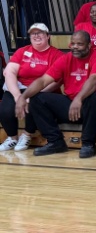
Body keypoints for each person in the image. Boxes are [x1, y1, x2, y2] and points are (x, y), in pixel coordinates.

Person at [14, 31, 96, 158]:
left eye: (79, 44)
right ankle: (55, 141)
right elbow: (43, 80)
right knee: (37, 98)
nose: (74, 46)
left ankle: (88, 144)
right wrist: (23, 97)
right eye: (73, 43)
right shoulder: (66, 58)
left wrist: (79, 98)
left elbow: (95, 80)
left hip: (92, 109)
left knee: (95, 97)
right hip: (71, 105)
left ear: (89, 45)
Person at [1, 23, 63, 152]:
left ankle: (27, 134)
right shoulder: (22, 51)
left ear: (48, 36)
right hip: (21, 87)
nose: (36, 35)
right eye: (33, 33)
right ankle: (12, 138)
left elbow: (57, 81)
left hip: (43, 90)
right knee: (5, 109)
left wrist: (34, 95)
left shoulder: (57, 54)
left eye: (40, 33)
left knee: (34, 103)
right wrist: (18, 96)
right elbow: (9, 72)